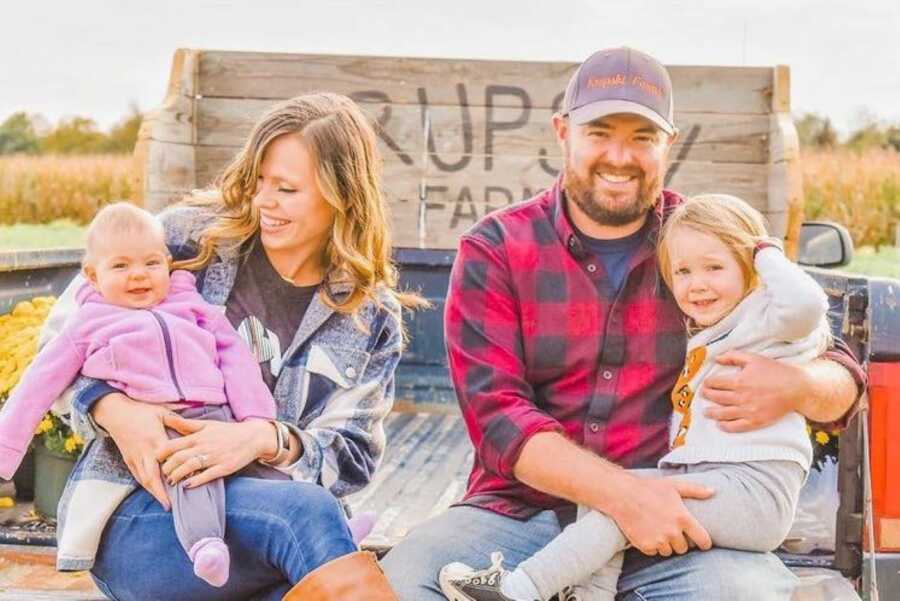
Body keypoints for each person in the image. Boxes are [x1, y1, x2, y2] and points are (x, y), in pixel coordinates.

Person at [381, 47, 865, 601]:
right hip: (520, 514)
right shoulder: (497, 249)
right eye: (600, 131)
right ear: (563, 132)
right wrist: (625, 496)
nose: (619, 155)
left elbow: (840, 368)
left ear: (668, 145)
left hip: (678, 526)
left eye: (642, 136)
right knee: (405, 580)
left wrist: (799, 386)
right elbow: (499, 419)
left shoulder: (704, 244)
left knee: (745, 594)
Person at [43, 93, 420, 601]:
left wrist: (265, 440)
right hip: (147, 511)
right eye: (259, 181)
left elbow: (351, 457)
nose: (264, 201)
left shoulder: (369, 314)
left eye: (286, 189)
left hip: (266, 535)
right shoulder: (184, 240)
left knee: (302, 571)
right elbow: (59, 341)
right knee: (311, 518)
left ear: (342, 195)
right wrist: (113, 408)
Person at [438, 194, 832, 601]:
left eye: (714, 268)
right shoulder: (717, 328)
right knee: (611, 492)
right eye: (682, 272)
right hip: (719, 482)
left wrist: (764, 250)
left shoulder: (767, 321)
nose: (697, 284)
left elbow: (807, 304)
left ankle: (518, 591)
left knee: (621, 513)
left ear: (751, 268)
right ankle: (590, 596)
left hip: (754, 494)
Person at [0, 202, 281, 588]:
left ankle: (337, 530)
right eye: (121, 266)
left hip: (219, 415)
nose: (138, 276)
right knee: (192, 477)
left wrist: (255, 418)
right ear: (92, 276)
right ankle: (204, 545)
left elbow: (234, 356)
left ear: (168, 263)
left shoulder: (191, 307)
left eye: (151, 263)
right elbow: (38, 384)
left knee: (270, 472)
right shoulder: (88, 325)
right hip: (163, 424)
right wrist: (6, 451)